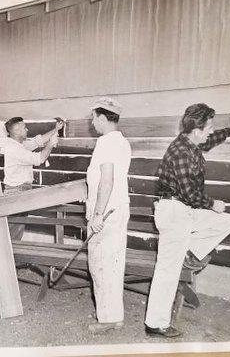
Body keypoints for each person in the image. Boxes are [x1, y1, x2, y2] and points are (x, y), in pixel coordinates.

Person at [144, 104, 230, 338]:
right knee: (167, 270)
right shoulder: (180, 153)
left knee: (226, 221)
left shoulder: (192, 142)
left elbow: (209, 141)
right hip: (174, 212)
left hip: (185, 211)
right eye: (209, 127)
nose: (211, 131)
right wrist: (213, 204)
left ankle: (189, 254)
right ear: (196, 130)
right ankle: (155, 324)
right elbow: (190, 194)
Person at [85, 97, 131, 334]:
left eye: (93, 117)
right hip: (117, 210)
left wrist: (97, 214)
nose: (92, 122)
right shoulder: (122, 142)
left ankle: (108, 319)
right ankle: (113, 315)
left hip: (106, 214)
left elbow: (107, 180)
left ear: (103, 118)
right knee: (112, 264)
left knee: (101, 264)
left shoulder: (106, 143)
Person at [1, 116, 63, 240]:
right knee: (13, 231)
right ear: (17, 131)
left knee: (17, 229)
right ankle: (9, 257)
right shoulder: (13, 148)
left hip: (20, 190)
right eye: (24, 128)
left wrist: (55, 129)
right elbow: (39, 159)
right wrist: (50, 144)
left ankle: (12, 256)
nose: (27, 130)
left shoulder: (18, 144)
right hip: (16, 192)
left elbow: (37, 142)